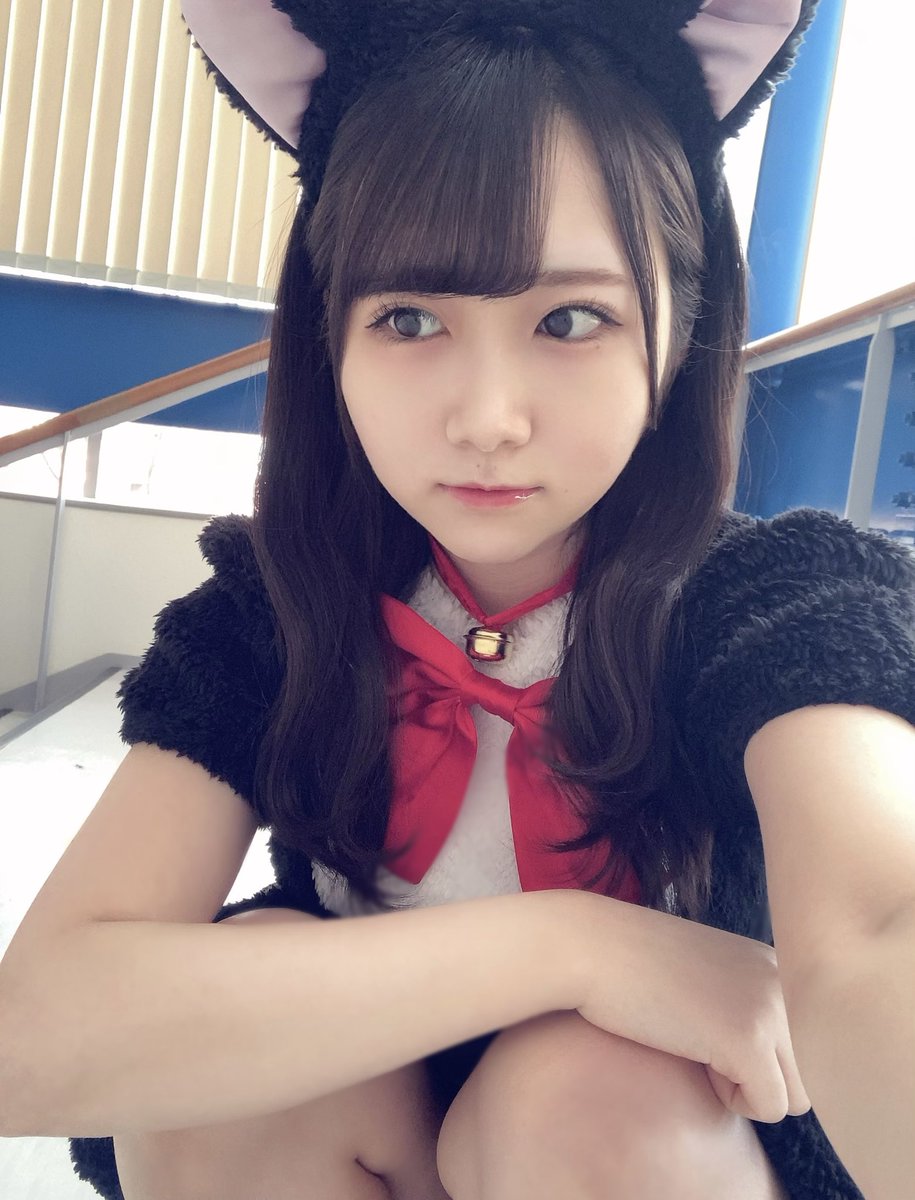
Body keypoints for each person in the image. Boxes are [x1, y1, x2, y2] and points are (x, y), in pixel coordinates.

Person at [0, 1, 912, 1198]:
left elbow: (880, 924)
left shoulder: (775, 602)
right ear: (331, 333)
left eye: (570, 320)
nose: (487, 418)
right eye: (410, 318)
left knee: (583, 1094)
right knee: (227, 1083)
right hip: (350, 1143)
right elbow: (33, 1035)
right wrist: (579, 948)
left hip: (641, 1158)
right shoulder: (277, 609)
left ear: (679, 332)